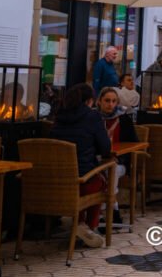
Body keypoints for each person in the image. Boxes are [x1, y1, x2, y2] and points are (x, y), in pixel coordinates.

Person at [50, 83, 111, 248]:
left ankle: (80, 223)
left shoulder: (58, 116)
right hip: (82, 181)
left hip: (56, 181)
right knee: (100, 181)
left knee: (87, 175)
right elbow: (106, 149)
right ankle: (89, 226)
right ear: (90, 101)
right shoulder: (93, 117)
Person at [96, 86, 139, 225]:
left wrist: (120, 157)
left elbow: (133, 143)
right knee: (105, 170)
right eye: (107, 100)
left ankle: (103, 211)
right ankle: (113, 209)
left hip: (120, 161)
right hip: (97, 161)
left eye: (114, 101)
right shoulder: (94, 119)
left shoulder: (124, 119)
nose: (110, 104)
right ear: (99, 101)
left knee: (111, 169)